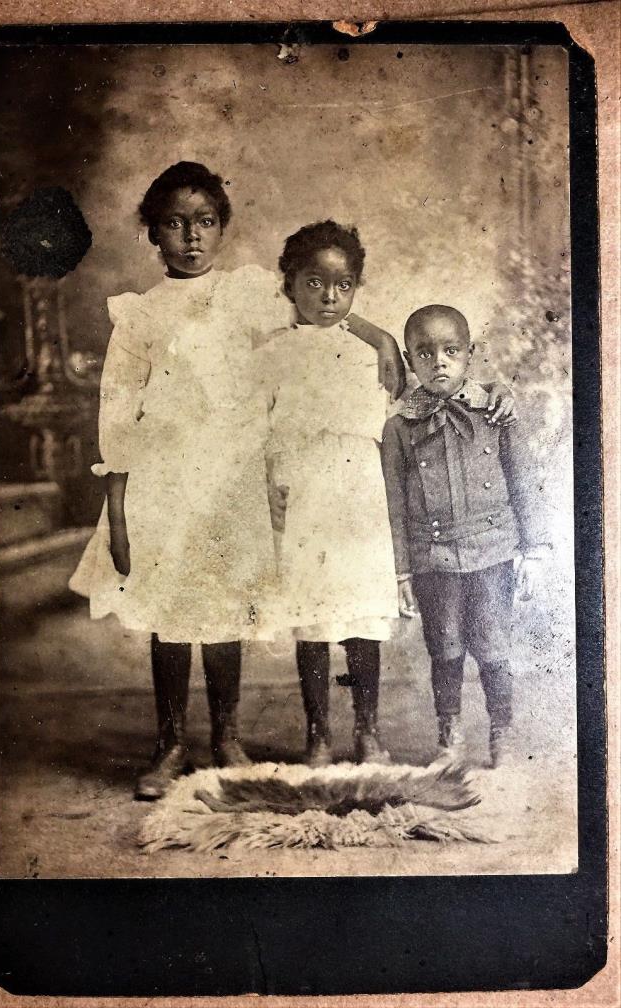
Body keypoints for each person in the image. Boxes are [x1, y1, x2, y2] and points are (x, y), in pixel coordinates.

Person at [70, 164, 396, 799]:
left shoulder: (248, 294)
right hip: (163, 481)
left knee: (222, 608)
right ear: (152, 235)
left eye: (205, 222)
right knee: (169, 613)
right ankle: (168, 744)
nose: (191, 236)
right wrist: (117, 508)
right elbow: (117, 411)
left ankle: (224, 735)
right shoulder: (139, 315)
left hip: (229, 477)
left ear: (222, 228)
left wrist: (376, 331)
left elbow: (317, 307)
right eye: (174, 223)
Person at [259, 221, 407, 768]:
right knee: (316, 619)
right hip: (305, 494)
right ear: (289, 284)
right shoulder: (271, 352)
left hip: (358, 498)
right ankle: (318, 733)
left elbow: (403, 401)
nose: (329, 297)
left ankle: (367, 730)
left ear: (356, 289)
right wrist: (265, 483)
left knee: (362, 618)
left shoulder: (372, 352)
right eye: (314, 282)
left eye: (343, 286)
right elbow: (257, 427)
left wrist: (378, 334)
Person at [381, 304, 548, 768]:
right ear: (410, 361)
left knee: (493, 647)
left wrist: (533, 551)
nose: (439, 362)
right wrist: (400, 572)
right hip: (434, 559)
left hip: (493, 553)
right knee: (446, 648)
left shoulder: (496, 411)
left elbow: (523, 480)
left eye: (451, 351)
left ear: (470, 354)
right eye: (425, 353)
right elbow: (394, 505)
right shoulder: (399, 427)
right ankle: (448, 736)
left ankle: (502, 731)